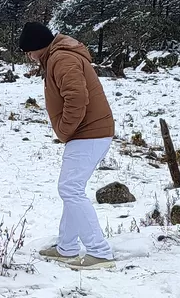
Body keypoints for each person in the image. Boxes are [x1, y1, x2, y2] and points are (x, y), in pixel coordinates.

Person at [18, 22, 118, 271]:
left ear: (37, 46)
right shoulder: (59, 55)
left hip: (89, 133)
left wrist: (64, 129)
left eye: (28, 51)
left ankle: (100, 253)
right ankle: (67, 247)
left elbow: (76, 96)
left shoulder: (61, 58)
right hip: (89, 132)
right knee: (71, 188)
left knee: (70, 189)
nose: (29, 56)